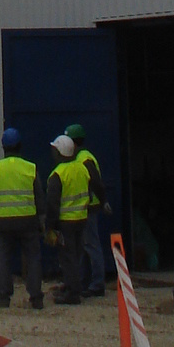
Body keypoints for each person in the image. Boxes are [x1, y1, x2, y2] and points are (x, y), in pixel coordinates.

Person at [0, 126, 45, 312]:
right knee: (33, 258)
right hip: (28, 222)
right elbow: (39, 196)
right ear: (20, 146)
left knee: (4, 260)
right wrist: (41, 221)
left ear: (3, 147)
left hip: (3, 223)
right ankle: (36, 298)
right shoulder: (29, 168)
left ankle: (3, 298)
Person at [49, 134, 90, 306]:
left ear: (60, 152)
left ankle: (73, 293)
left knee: (67, 258)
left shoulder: (58, 174)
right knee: (77, 255)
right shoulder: (82, 168)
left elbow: (52, 203)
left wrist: (49, 227)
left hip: (66, 222)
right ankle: (72, 286)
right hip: (81, 218)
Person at [68, 122, 108, 297]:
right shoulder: (81, 157)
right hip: (86, 207)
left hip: (89, 207)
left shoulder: (84, 159)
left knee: (91, 245)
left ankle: (97, 284)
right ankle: (84, 282)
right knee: (85, 247)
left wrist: (103, 200)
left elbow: (95, 181)